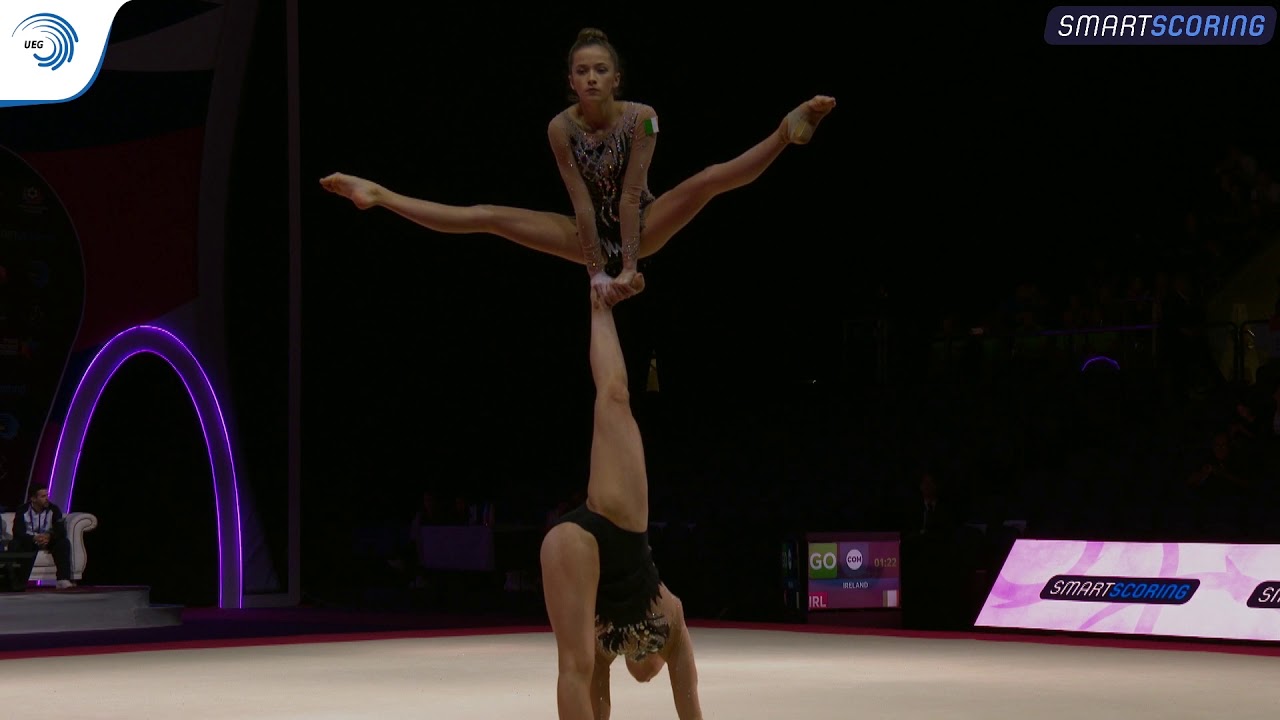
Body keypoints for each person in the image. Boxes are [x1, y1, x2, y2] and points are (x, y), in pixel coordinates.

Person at [320, 27, 835, 306]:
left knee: (706, 181)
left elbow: (632, 195)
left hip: (643, 221)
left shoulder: (645, 119)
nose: (591, 78)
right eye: (582, 71)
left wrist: (629, 268)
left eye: (600, 70)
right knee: (488, 215)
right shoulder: (559, 128)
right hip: (583, 230)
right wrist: (595, 274)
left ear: (617, 78)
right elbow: (582, 201)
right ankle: (380, 194)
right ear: (571, 80)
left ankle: (784, 132)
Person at [539, 278, 701, 719]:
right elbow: (691, 710)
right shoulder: (673, 625)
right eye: (652, 672)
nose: (647, 677)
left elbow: (598, 702)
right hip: (622, 526)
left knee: (575, 667)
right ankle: (599, 299)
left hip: (582, 544)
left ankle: (599, 301)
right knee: (614, 398)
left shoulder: (604, 645)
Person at [10, 484, 75, 589]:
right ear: (33, 499)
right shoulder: (22, 510)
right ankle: (18, 582)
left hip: (48, 540)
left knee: (63, 542)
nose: (46, 499)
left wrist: (49, 536)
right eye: (43, 496)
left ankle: (63, 579)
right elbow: (17, 532)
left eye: (47, 495)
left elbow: (60, 530)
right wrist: (33, 538)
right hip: (30, 540)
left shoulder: (54, 509)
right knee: (15, 543)